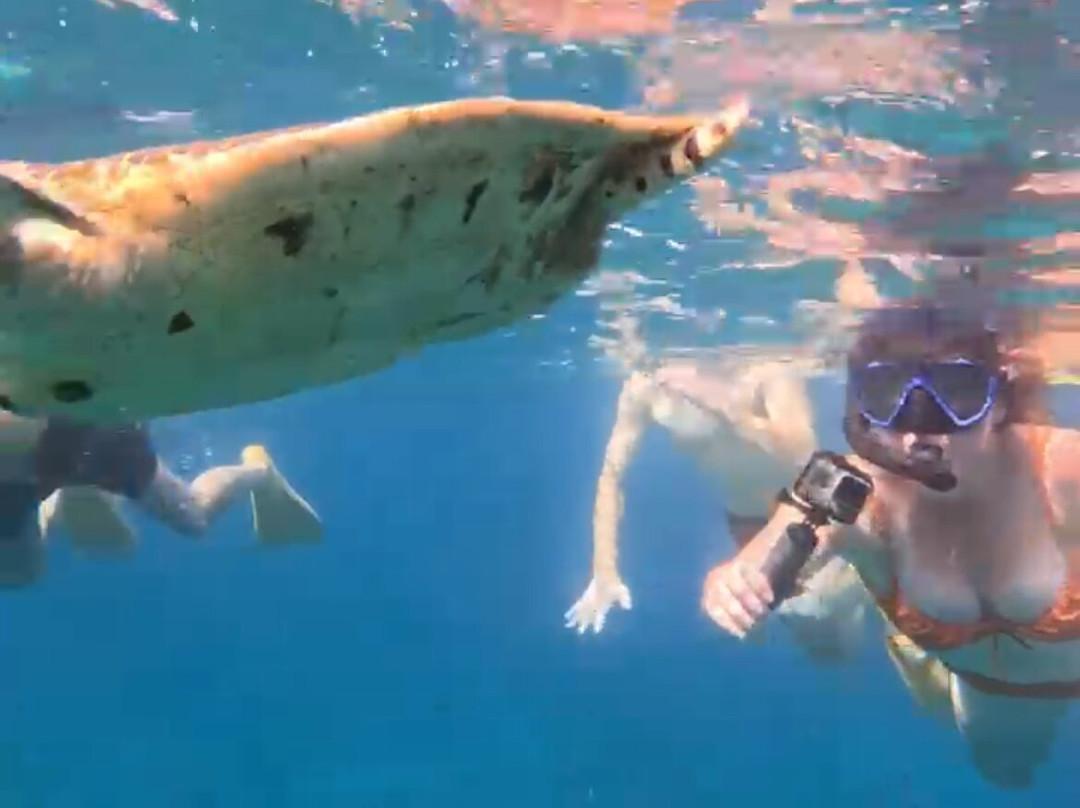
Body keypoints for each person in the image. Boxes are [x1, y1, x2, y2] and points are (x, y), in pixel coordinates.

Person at [701, 293, 1080, 789]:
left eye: (958, 397)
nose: (918, 441)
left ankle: (895, 634)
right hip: (1000, 695)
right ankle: (896, 639)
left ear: (1000, 401)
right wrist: (731, 584)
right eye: (887, 402)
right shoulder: (857, 494)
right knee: (1006, 770)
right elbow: (766, 552)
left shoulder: (1059, 472)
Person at [565, 313, 871, 663]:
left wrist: (728, 407)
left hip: (810, 515)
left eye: (655, 331)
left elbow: (805, 455)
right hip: (746, 521)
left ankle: (871, 574)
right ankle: (859, 589)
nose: (641, 348)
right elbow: (612, 475)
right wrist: (603, 569)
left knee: (814, 608)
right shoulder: (645, 388)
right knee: (823, 649)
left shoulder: (765, 371)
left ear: (704, 325)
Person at [0, 413, 322, 587]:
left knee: (194, 516)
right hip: (35, 460)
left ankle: (258, 470)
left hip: (80, 431)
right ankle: (69, 491)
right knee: (22, 572)